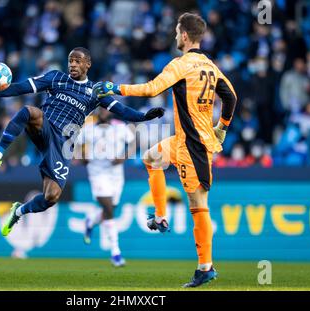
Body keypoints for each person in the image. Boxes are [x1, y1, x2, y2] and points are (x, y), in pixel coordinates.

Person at [94, 13, 237, 287]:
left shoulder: (180, 64)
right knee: (150, 158)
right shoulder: (209, 65)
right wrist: (223, 127)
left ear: (184, 35)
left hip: (194, 146)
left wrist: (114, 87)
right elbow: (231, 96)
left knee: (198, 205)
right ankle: (160, 215)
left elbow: (151, 89)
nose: (174, 36)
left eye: (176, 32)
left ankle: (205, 267)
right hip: (183, 139)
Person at [0, 47, 164, 237]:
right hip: (45, 127)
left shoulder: (95, 91)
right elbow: (20, 88)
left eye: (77, 61)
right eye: (70, 60)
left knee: (51, 197)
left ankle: (18, 212)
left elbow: (122, 111)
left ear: (88, 64)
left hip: (63, 145)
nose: (72, 64)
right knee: (28, 111)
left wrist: (145, 116)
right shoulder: (55, 77)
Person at [76, 107, 135, 267]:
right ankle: (115, 252)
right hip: (97, 173)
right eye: (100, 109)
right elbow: (75, 148)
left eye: (105, 109)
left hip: (116, 174)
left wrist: (122, 158)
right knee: (109, 209)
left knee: (110, 208)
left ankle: (90, 221)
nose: (102, 111)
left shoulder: (120, 127)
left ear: (110, 111)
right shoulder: (88, 130)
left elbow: (133, 144)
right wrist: (82, 158)